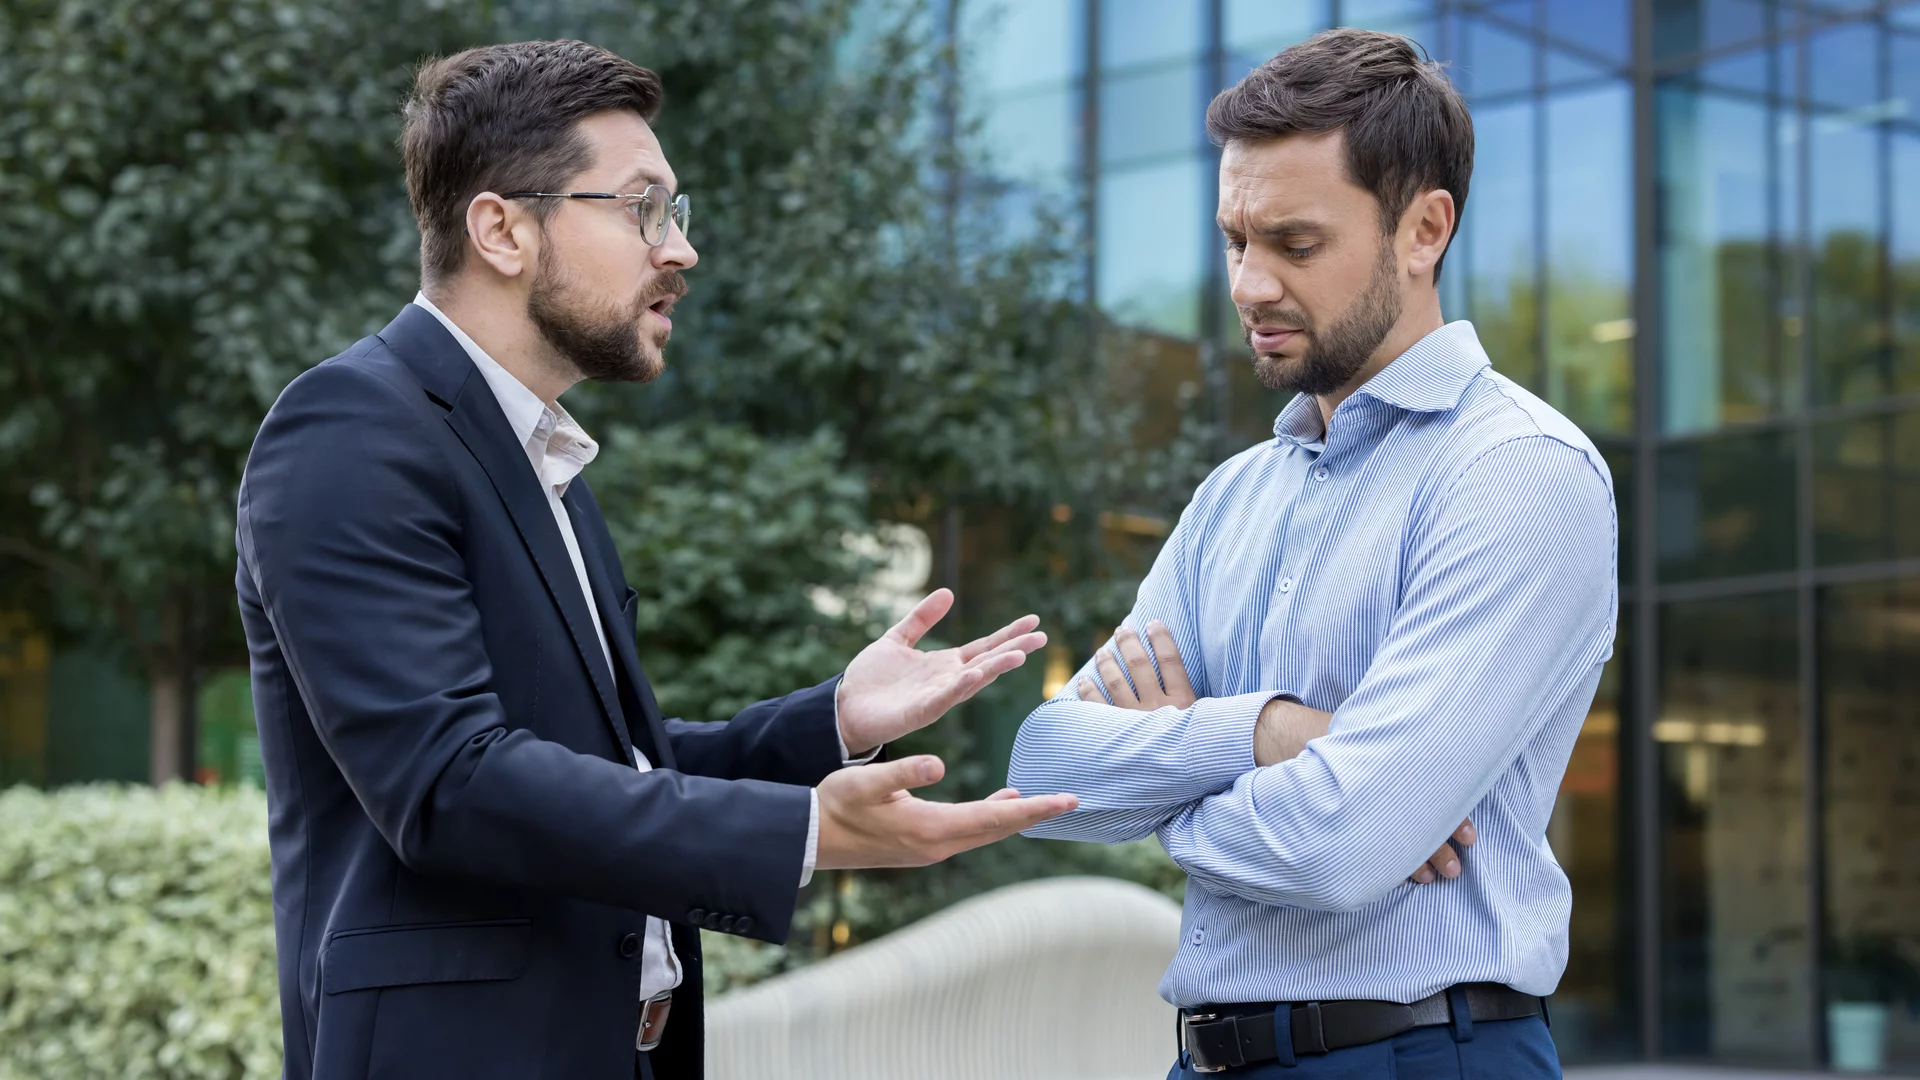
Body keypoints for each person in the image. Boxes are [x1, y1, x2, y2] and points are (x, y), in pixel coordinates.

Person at [235, 39, 1075, 1080]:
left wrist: (832, 723)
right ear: (501, 229)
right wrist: (803, 831)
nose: (681, 250)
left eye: (674, 212)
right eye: (642, 208)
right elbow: (449, 781)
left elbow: (608, 769)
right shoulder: (350, 430)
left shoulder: (541, 460)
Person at [1008, 28, 1616, 1079]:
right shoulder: (1233, 496)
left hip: (1422, 1054)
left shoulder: (1517, 472)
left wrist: (1169, 780)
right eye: (1235, 241)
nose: (1249, 284)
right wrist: (1273, 735)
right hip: (1208, 1059)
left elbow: (1343, 846)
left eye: (1294, 244)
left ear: (1423, 231)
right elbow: (1047, 772)